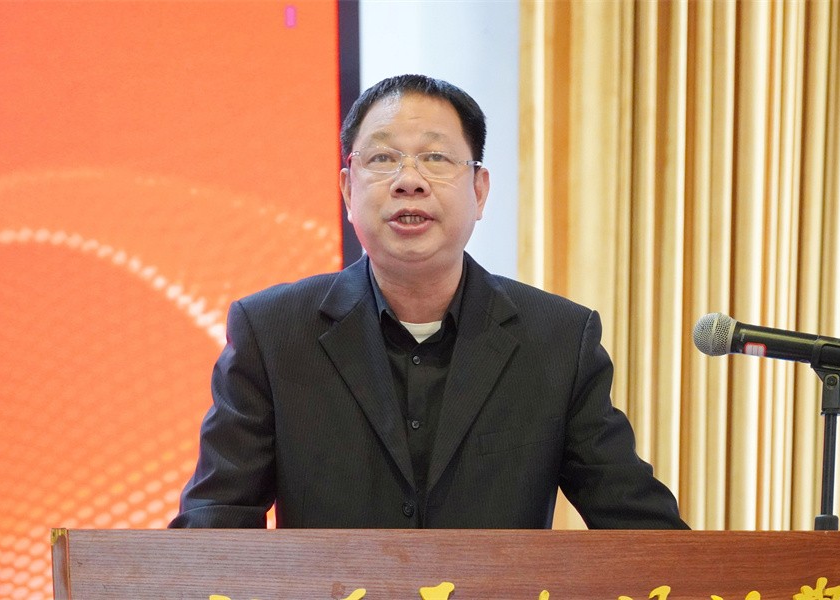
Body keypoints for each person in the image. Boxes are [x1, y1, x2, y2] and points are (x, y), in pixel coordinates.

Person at [169, 74, 688, 530]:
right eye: (382, 159)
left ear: (479, 191)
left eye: (436, 158)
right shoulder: (272, 333)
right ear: (348, 190)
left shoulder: (557, 340)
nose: (409, 181)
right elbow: (213, 527)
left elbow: (642, 530)